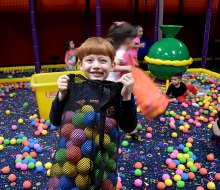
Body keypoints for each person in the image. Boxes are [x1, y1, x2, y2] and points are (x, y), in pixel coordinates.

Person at [49, 37, 137, 190]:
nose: (96, 66)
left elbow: (129, 127)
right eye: (89, 60)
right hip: (71, 158)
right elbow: (56, 121)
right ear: (80, 64)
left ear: (113, 65)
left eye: (103, 61)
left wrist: (127, 96)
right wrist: (61, 96)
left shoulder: (116, 92)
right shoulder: (74, 89)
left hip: (102, 159)